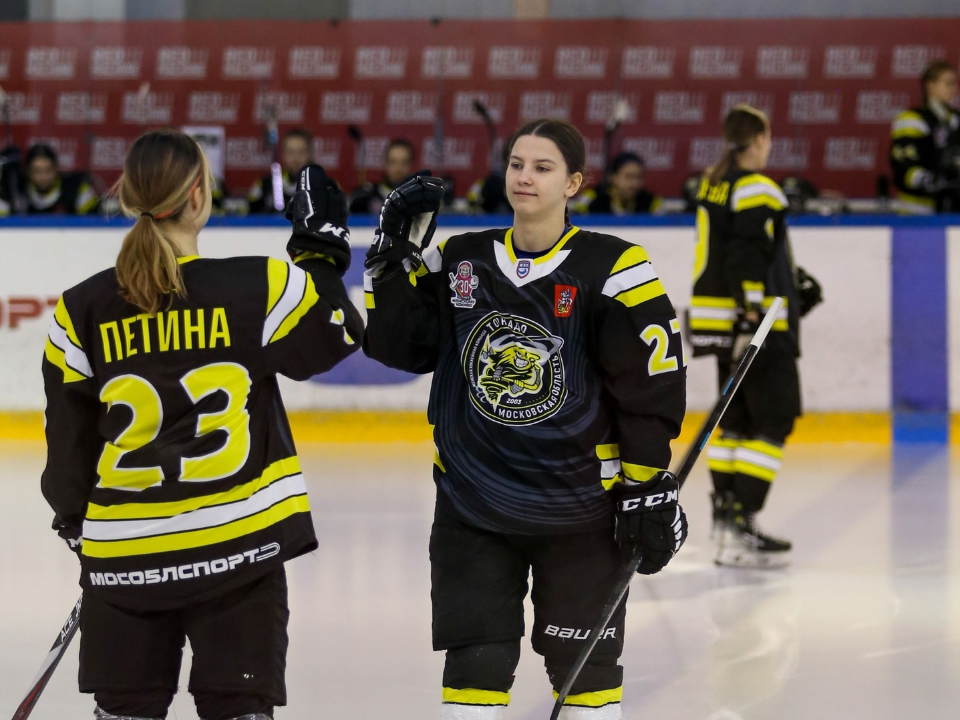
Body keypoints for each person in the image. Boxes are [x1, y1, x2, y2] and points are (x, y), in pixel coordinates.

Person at [363, 119, 687, 720]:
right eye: (516, 164)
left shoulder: (614, 267)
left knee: (585, 672)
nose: (524, 177)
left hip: (580, 511)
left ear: (574, 184)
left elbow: (651, 387)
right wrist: (385, 266)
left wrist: (645, 484)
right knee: (475, 666)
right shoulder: (459, 256)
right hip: (472, 506)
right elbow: (401, 349)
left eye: (542, 167)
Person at [41, 129, 362, 720]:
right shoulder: (259, 285)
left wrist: (74, 522)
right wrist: (320, 252)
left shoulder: (78, 308)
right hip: (238, 555)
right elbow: (337, 335)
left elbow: (69, 449)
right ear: (199, 196)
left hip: (123, 562)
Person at [688, 104, 821, 569]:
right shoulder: (757, 186)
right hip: (754, 324)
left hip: (716, 318)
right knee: (775, 418)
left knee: (736, 421)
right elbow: (746, 255)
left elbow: (739, 248)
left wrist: (790, 277)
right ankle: (743, 520)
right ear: (759, 139)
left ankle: (725, 520)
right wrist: (752, 314)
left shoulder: (715, 181)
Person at [889, 60, 960, 214]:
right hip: (915, 210)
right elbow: (903, 166)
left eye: (954, 84)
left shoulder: (955, 118)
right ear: (930, 85)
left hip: (950, 208)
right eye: (948, 83)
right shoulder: (912, 119)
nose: (953, 89)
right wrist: (933, 180)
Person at [0, 143, 99, 215]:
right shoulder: (15, 191)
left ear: (56, 169)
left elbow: (95, 224)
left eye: (48, 170)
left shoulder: (76, 189)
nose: (43, 176)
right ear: (28, 172)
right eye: (37, 171)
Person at [247, 127, 314, 214]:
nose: (296, 159)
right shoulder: (266, 185)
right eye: (291, 152)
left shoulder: (325, 187)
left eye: (301, 152)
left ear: (310, 154)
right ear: (283, 154)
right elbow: (247, 217)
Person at [573, 152, 661, 214]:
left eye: (638, 177)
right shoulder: (591, 201)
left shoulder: (651, 203)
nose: (634, 183)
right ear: (612, 177)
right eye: (628, 177)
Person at [348, 138, 415, 214]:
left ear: (411, 165)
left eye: (404, 163)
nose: (398, 169)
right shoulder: (365, 197)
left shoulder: (419, 199)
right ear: (385, 163)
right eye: (393, 162)